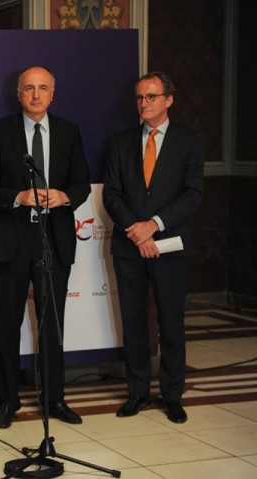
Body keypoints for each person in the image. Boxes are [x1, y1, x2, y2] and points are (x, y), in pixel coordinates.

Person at [0, 66, 91, 429]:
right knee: (8, 324)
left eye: (42, 88)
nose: (36, 95)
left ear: (53, 94)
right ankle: (7, 400)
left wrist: (64, 196)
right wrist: (17, 197)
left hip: (53, 239)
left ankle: (54, 399)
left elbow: (82, 183)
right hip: (11, 240)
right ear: (19, 94)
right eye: (29, 88)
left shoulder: (69, 131)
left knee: (52, 325)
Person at [103, 71, 203, 424]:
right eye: (139, 97)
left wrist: (154, 226)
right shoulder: (120, 143)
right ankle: (138, 392)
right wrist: (138, 233)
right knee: (133, 323)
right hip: (129, 247)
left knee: (171, 323)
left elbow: (192, 194)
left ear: (168, 100)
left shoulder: (188, 141)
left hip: (170, 247)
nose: (143, 103)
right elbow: (111, 194)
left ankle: (172, 395)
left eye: (151, 96)